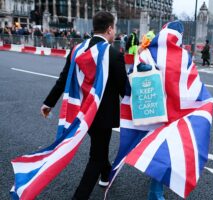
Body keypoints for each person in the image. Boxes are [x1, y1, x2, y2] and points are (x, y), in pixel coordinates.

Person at [40, 11, 127, 199]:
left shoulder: (77, 50)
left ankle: (106, 174)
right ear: (110, 29)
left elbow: (64, 79)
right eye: (114, 29)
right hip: (103, 115)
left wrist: (49, 102)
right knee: (97, 155)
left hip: (81, 111)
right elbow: (124, 89)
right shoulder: (114, 54)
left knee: (99, 147)